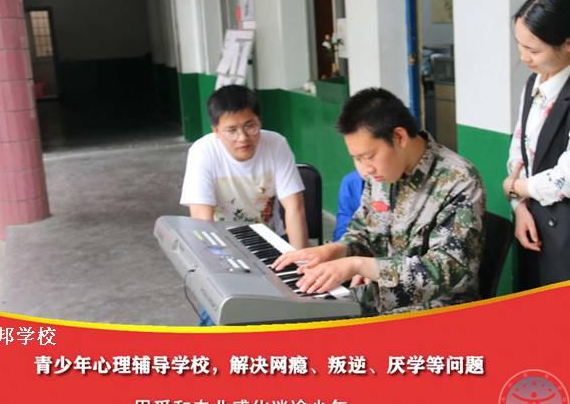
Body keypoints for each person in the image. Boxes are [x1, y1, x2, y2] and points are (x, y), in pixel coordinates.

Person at [272, 87, 485, 316]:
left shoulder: (458, 180)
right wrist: (334, 250)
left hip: (436, 312)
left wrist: (358, 265)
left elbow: (446, 270)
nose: (364, 170)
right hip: (378, 298)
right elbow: (363, 231)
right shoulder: (381, 173)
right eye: (356, 159)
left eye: (368, 157)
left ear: (399, 137)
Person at [180, 85, 308, 324]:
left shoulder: (276, 143)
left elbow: (294, 207)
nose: (243, 137)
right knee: (222, 316)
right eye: (231, 130)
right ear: (216, 131)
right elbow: (202, 221)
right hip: (222, 249)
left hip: (271, 244)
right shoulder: (202, 152)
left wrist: (301, 266)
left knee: (288, 315)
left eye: (250, 126)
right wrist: (215, 276)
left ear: (259, 121)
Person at [502, 0, 570, 289]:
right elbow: (519, 151)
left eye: (533, 49)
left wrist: (515, 188)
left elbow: (566, 177)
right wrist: (519, 206)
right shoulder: (534, 82)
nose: (523, 57)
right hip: (534, 224)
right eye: (520, 45)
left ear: (567, 44)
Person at [332, 170, 364, 241]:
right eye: (359, 160)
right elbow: (345, 219)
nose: (370, 169)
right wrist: (339, 243)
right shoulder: (351, 181)